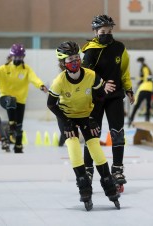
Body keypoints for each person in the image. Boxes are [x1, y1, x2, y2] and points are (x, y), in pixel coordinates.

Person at [47, 41, 120, 210]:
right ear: (63, 63)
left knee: (95, 147)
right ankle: (84, 186)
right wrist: (65, 122)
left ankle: (108, 184)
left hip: (86, 115)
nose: (75, 61)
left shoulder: (91, 75)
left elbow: (101, 97)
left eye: (76, 57)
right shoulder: (59, 81)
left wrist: (94, 117)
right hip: (67, 117)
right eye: (70, 59)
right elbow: (51, 104)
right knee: (73, 147)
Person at [81, 15, 135, 189]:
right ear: (95, 32)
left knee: (118, 132)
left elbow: (124, 71)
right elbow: (85, 75)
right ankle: (88, 170)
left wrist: (128, 89)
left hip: (115, 98)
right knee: (92, 135)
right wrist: (102, 84)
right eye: (103, 32)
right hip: (96, 99)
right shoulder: (90, 51)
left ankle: (117, 169)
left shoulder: (119, 47)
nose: (107, 34)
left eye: (109, 31)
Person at [0, 43, 48, 153]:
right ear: (11, 56)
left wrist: (41, 86)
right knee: (11, 100)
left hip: (21, 101)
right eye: (15, 57)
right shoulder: (4, 69)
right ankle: (11, 125)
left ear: (23, 57)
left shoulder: (26, 69)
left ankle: (18, 146)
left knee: (19, 125)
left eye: (20, 57)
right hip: (5, 98)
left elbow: (34, 79)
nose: (17, 59)